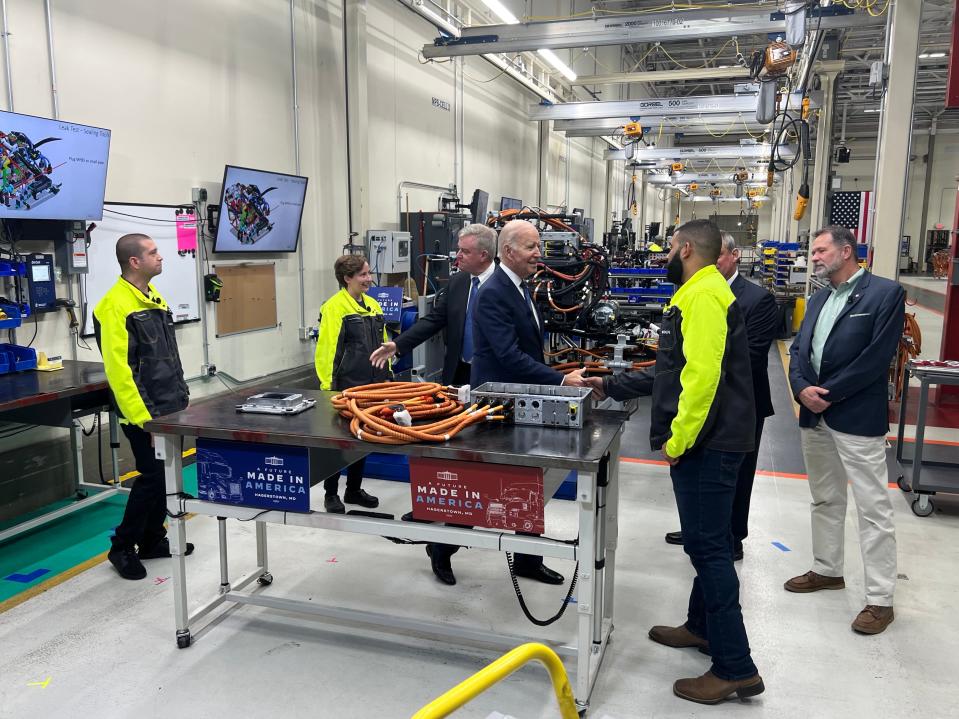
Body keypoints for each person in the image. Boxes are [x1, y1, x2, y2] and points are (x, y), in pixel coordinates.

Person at [585, 220, 764, 704]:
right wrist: (611, 383)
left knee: (709, 551)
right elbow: (674, 370)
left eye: (668, 247)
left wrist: (679, 440)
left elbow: (702, 379)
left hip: (709, 444)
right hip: (719, 440)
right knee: (712, 544)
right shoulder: (698, 292)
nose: (664, 254)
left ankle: (735, 667)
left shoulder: (703, 297)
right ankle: (701, 627)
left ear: (686, 249)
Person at [785, 225, 905, 635]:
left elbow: (876, 359)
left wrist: (828, 394)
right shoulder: (817, 299)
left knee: (873, 509)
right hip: (815, 414)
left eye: (820, 250)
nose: (813, 257)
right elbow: (799, 349)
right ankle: (827, 569)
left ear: (846, 251)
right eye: (812, 251)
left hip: (854, 416)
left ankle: (880, 599)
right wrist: (801, 389)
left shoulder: (884, 294)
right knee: (825, 499)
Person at [370, 223, 497, 585]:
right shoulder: (459, 283)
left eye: (463, 251)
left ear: (483, 255)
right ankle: (440, 540)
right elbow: (433, 320)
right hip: (458, 380)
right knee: (451, 462)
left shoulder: (506, 284)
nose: (456, 257)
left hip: (496, 387)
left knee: (497, 473)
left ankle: (525, 558)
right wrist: (399, 345)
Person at [471, 219, 586, 585]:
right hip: (498, 403)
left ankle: (526, 559)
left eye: (539, 246)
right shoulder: (494, 293)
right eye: (532, 247)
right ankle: (442, 546)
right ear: (508, 252)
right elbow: (507, 356)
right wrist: (559, 380)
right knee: (484, 483)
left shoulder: (521, 288)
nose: (539, 253)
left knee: (526, 484)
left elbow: (527, 347)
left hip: (520, 398)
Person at [664, 232, 779, 561]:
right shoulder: (692, 291)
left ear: (734, 256)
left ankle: (733, 538)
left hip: (742, 405)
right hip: (705, 403)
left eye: (720, 255)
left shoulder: (758, 299)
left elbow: (751, 355)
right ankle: (702, 529)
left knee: (737, 476)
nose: (713, 261)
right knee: (704, 479)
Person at [94, 234, 192, 580]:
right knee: (151, 476)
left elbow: (164, 358)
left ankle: (152, 539)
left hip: (168, 405)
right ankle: (122, 546)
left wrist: (180, 396)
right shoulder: (115, 305)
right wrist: (145, 420)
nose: (160, 257)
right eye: (153, 253)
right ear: (134, 261)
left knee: (165, 475)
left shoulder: (152, 298)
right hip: (144, 413)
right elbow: (121, 371)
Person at [315, 254, 388, 513]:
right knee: (337, 442)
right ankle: (330, 493)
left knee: (362, 438)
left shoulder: (372, 305)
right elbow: (327, 350)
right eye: (363, 275)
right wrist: (329, 387)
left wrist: (386, 376)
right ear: (347, 278)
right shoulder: (335, 308)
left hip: (372, 386)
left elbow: (383, 345)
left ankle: (354, 490)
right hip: (345, 386)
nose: (369, 279)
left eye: (369, 273)